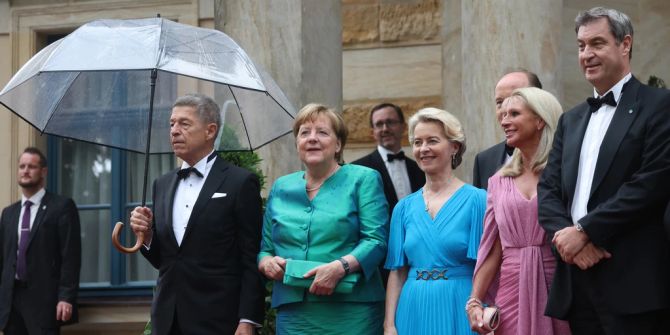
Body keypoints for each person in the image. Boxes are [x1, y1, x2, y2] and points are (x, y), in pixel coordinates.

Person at [538, 7, 670, 334]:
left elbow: (651, 184)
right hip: (576, 280)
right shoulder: (571, 120)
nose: (587, 54)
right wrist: (570, 243)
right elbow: (549, 191)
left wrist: (584, 231)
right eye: (581, 46)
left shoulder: (659, 105)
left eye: (597, 43)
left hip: (632, 282)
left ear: (625, 45)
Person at [129, 94, 264, 335]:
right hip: (167, 319)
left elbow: (250, 257)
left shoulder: (240, 182)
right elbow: (168, 260)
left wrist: (248, 319)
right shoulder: (162, 183)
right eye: (171, 124)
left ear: (210, 131)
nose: (174, 131)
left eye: (184, 124)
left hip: (220, 318)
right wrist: (147, 236)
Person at [258, 103, 388, 335]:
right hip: (294, 312)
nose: (312, 138)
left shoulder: (363, 179)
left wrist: (341, 267)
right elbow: (265, 249)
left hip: (352, 309)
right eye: (304, 133)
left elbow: (376, 240)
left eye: (322, 132)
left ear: (338, 144)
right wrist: (266, 263)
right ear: (297, 143)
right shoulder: (281, 186)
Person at [466, 88, 570, 334]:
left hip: (560, 285)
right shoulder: (497, 181)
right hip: (511, 289)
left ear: (539, 120)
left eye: (514, 114)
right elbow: (493, 248)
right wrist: (474, 301)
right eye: (503, 114)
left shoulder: (567, 172)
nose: (504, 121)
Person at [384, 107, 486, 335]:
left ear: (454, 146)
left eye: (432, 141)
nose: (423, 149)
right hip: (412, 307)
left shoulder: (479, 200)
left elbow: (487, 266)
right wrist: (389, 325)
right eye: (417, 142)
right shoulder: (403, 208)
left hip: (461, 304)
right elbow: (397, 271)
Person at [0, 147, 81, 335]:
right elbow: (3, 259)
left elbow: (71, 256)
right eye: (22, 166)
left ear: (43, 171)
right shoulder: (8, 214)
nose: (25, 171)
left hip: (45, 302)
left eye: (31, 166)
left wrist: (66, 297)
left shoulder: (61, 207)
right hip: (11, 304)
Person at [472, 70, 542, 190]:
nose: (506, 109)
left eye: (515, 99)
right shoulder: (484, 161)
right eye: (500, 102)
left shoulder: (563, 154)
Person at [352, 103, 425, 213]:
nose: (385, 129)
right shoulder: (358, 169)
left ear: (404, 127)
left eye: (390, 122)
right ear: (372, 132)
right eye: (379, 124)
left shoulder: (420, 168)